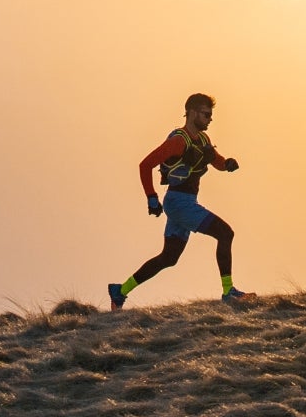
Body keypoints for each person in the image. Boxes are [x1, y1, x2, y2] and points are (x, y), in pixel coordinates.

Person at [108, 93, 252, 310]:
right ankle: (228, 292)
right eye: (206, 114)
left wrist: (228, 164)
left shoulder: (203, 140)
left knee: (169, 257)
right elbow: (145, 165)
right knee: (225, 233)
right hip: (179, 203)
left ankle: (120, 291)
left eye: (211, 115)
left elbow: (217, 161)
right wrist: (151, 198)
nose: (209, 119)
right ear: (192, 112)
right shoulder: (178, 141)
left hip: (185, 202)